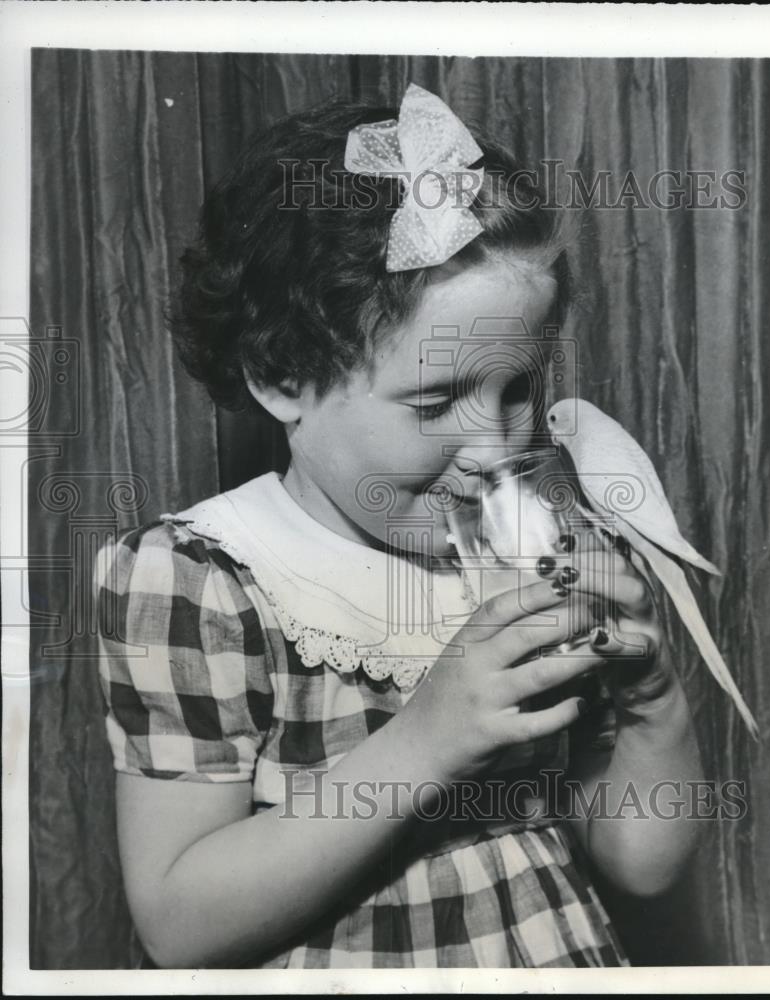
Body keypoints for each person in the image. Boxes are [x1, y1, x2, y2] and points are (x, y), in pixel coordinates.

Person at [95, 83, 703, 970]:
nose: (494, 447)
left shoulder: (533, 541)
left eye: (515, 389)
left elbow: (640, 866)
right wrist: (429, 740)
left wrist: (654, 705)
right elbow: (178, 925)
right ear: (282, 379)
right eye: (436, 399)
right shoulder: (199, 575)